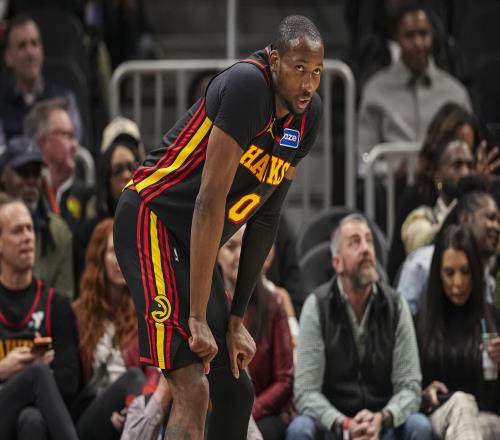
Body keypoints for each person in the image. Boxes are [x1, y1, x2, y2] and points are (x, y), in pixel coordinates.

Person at [113, 14, 324, 440]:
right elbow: (208, 202)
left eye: (316, 72)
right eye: (299, 68)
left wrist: (235, 318)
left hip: (193, 243)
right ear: (275, 60)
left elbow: (266, 215)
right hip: (151, 220)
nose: (307, 84)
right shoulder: (248, 87)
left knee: (236, 391)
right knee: (192, 388)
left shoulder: (307, 118)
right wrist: (196, 316)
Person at [286, 213, 431, 440]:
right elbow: (306, 392)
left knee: (419, 425)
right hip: (335, 427)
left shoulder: (395, 305)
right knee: (299, 429)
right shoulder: (317, 307)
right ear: (337, 263)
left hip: (382, 425)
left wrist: (382, 418)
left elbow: (410, 386)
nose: (366, 249)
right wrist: (345, 425)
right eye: (355, 242)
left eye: (369, 240)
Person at [0, 195, 80, 439]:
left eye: (30, 229)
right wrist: (2, 370)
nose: (28, 237)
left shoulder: (55, 303)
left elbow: (70, 382)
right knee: (36, 373)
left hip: (36, 416)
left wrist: (42, 372)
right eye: (17, 231)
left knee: (31, 420)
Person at [73, 218, 158, 440]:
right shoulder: (78, 314)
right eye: (113, 250)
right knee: (133, 376)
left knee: (139, 382)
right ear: (99, 257)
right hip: (88, 416)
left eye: (126, 249)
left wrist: (131, 409)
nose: (121, 258)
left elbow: (153, 374)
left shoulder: (146, 312)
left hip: (130, 408)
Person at [416, 224, 500, 439]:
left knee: (470, 418)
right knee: (462, 404)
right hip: (440, 415)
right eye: (449, 273)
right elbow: (404, 388)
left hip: (485, 418)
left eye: (465, 271)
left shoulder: (492, 318)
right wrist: (424, 394)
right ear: (438, 275)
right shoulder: (421, 323)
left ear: (475, 272)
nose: (458, 283)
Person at [357, 3, 471, 160]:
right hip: (391, 176)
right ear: (397, 39)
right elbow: (365, 157)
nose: (418, 44)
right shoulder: (375, 90)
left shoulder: (456, 93)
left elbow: (468, 153)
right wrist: (395, 169)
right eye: (410, 36)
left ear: (433, 36)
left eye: (424, 34)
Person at [387, 102, 483, 281]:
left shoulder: (483, 201)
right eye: (457, 163)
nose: (465, 172)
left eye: (469, 155)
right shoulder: (417, 204)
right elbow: (422, 253)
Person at [218, 228, 295, 440]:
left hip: (264, 414)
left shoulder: (273, 304)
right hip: (220, 413)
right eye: (231, 247)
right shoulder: (206, 307)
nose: (240, 255)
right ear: (216, 253)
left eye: (246, 246)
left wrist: (249, 411)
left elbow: (285, 380)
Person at [397, 176, 500, 315]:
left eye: (465, 272)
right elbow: (400, 322)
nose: (497, 227)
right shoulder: (422, 266)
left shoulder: (484, 275)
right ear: (465, 218)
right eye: (491, 218)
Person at [73, 116, 145, 289]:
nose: (126, 175)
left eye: (131, 166)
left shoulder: (154, 223)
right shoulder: (88, 232)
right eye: (118, 170)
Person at [0, 135, 75, 298]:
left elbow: (63, 300)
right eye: (23, 173)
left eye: (36, 174)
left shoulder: (58, 232)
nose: (32, 182)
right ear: (3, 176)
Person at [0, 14, 82, 144]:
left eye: (34, 43)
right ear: (9, 57)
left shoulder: (65, 100)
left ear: (41, 51)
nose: (30, 52)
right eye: (22, 46)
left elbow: (74, 147)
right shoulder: (2, 106)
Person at [23, 97, 95, 231]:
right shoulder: (24, 194)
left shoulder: (85, 196)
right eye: (68, 135)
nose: (75, 145)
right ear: (43, 141)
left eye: (74, 136)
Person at [401, 136, 472, 254]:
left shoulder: (485, 215)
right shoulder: (422, 217)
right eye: (457, 165)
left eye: (470, 165)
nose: (466, 172)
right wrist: (459, 207)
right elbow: (420, 246)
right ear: (438, 178)